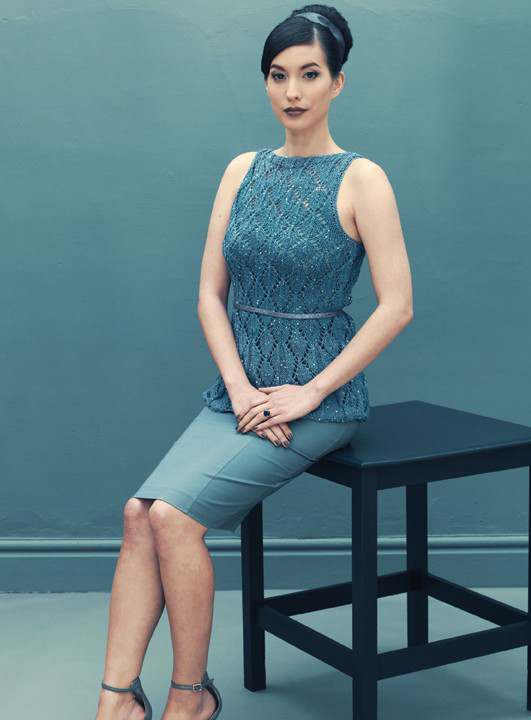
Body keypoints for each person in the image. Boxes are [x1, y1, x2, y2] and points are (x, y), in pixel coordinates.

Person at [95, 5, 413, 720]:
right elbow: (210, 295)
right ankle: (116, 702)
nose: (292, 91)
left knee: (174, 519)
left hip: (319, 400)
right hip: (238, 391)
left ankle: (190, 696)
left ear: (337, 83)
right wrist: (239, 388)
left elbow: (397, 306)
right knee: (139, 513)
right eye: (278, 75)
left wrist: (309, 393)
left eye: (310, 74)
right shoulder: (244, 169)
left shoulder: (363, 179)